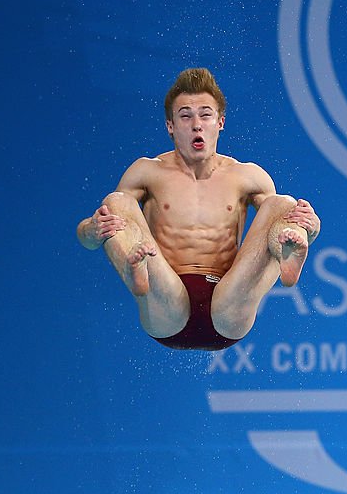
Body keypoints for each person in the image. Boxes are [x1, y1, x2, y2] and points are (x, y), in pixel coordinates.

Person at [77, 68, 320, 350]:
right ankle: (141, 278)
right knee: (116, 202)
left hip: (228, 305)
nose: (196, 125)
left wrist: (310, 227)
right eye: (185, 116)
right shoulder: (147, 171)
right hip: (167, 302)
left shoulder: (247, 176)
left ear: (220, 122)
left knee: (283, 204)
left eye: (205, 115)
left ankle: (288, 256)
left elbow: (280, 221)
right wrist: (91, 230)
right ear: (170, 126)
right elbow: (87, 237)